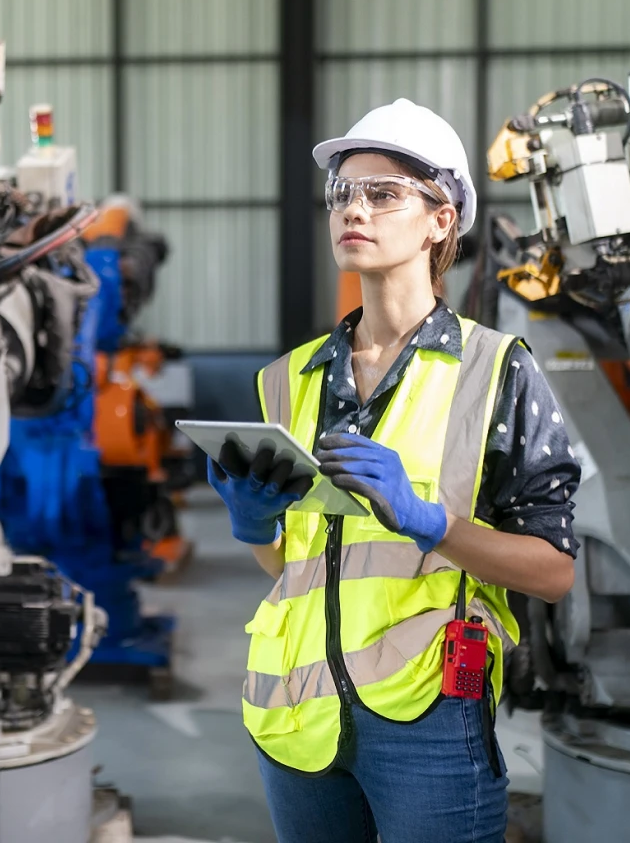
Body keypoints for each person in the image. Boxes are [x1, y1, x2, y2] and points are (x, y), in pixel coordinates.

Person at [207, 98, 580, 843]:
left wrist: (432, 523)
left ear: (442, 220)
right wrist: (255, 525)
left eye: (384, 193)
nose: (356, 209)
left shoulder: (494, 369)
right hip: (295, 710)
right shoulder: (287, 379)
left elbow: (553, 573)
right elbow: (294, 564)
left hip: (428, 715)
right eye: (343, 193)